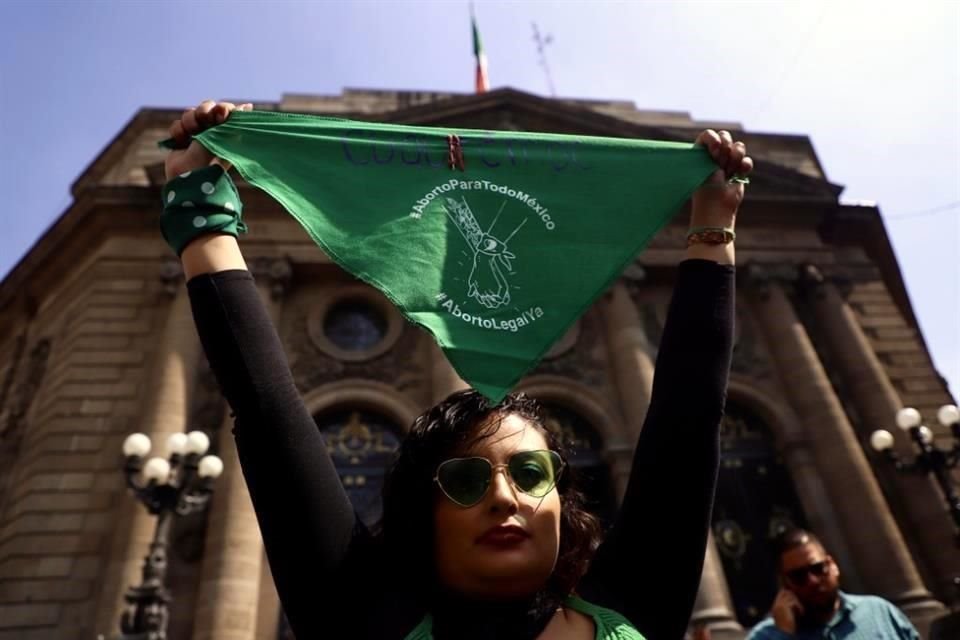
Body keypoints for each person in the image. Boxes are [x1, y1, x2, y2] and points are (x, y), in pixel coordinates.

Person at [164, 100, 753, 640]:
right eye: (467, 481)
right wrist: (200, 211)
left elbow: (688, 415)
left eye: (529, 473)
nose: (505, 497)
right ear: (426, 514)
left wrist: (713, 225)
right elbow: (268, 412)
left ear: (562, 502)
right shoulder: (364, 617)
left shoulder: (635, 600)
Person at [746, 529, 920, 640]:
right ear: (785, 583)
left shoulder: (879, 611)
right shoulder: (764, 636)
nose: (812, 580)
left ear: (832, 565)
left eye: (818, 568)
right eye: (798, 576)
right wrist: (783, 635)